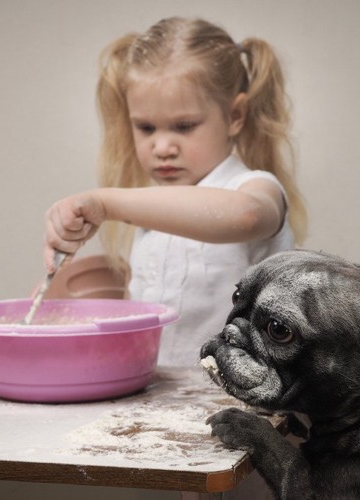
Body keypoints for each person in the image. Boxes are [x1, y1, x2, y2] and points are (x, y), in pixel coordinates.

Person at [44, 17, 307, 367]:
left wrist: (105, 202)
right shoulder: (149, 212)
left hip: (240, 402)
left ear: (235, 115)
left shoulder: (255, 188)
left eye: (184, 126)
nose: (163, 146)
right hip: (161, 397)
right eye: (146, 127)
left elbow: (247, 216)